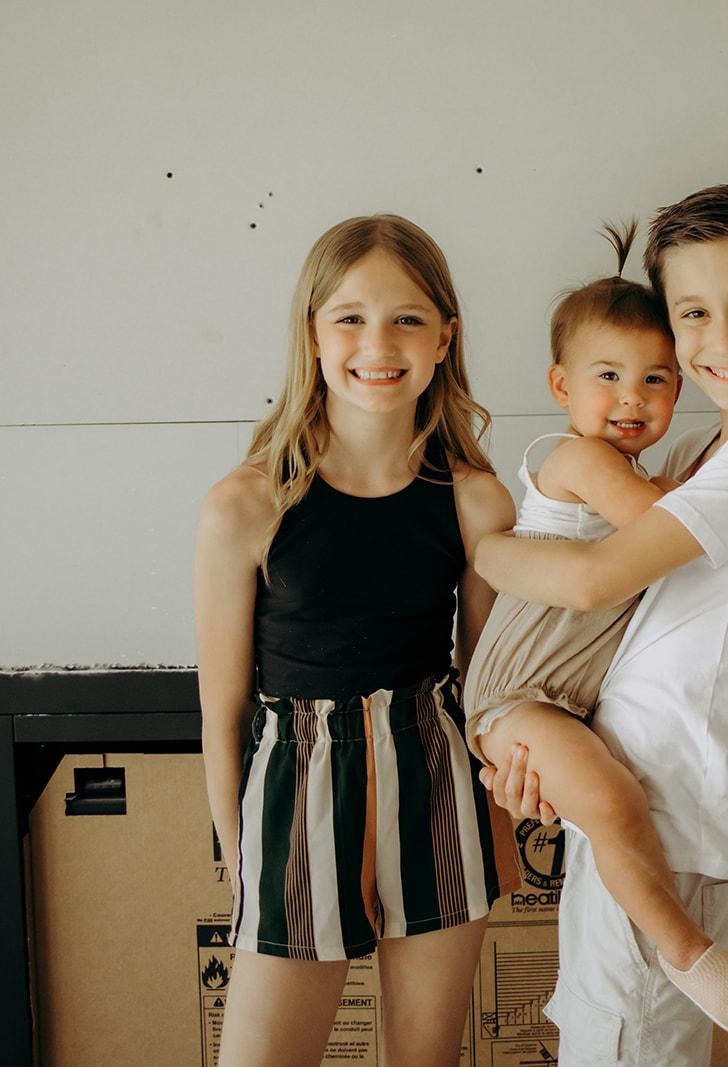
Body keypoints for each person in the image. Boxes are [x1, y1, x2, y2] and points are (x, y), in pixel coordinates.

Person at [477, 184, 728, 1065]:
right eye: (694, 313)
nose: (723, 339)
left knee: (624, 1041)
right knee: (608, 1036)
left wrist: (490, 555)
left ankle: (682, 948)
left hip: (668, 805)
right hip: (633, 793)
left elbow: (599, 576)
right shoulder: (705, 452)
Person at [194, 214, 519, 1067]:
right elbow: (223, 708)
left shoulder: (475, 500)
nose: (379, 342)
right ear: (312, 332)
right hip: (295, 782)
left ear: (445, 336)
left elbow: (488, 688)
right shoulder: (246, 504)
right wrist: (238, 852)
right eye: (350, 317)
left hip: (435, 773)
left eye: (408, 317)